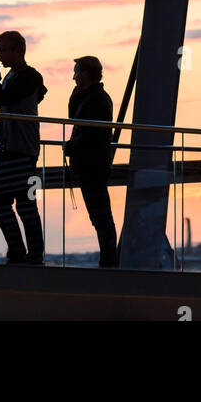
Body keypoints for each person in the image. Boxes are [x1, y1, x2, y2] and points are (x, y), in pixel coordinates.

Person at [0, 31, 47, 264]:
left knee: (13, 204)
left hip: (18, 149)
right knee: (22, 204)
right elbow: (37, 95)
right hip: (17, 148)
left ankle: (24, 253)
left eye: (2, 49)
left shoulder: (26, 76)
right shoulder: (22, 76)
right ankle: (27, 253)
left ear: (16, 51)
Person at [64, 56, 117, 267]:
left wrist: (72, 148)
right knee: (100, 216)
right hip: (92, 165)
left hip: (91, 166)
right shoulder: (95, 97)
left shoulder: (95, 100)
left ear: (86, 73)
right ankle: (109, 260)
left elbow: (88, 133)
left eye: (77, 72)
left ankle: (108, 260)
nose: (74, 77)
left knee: (100, 216)